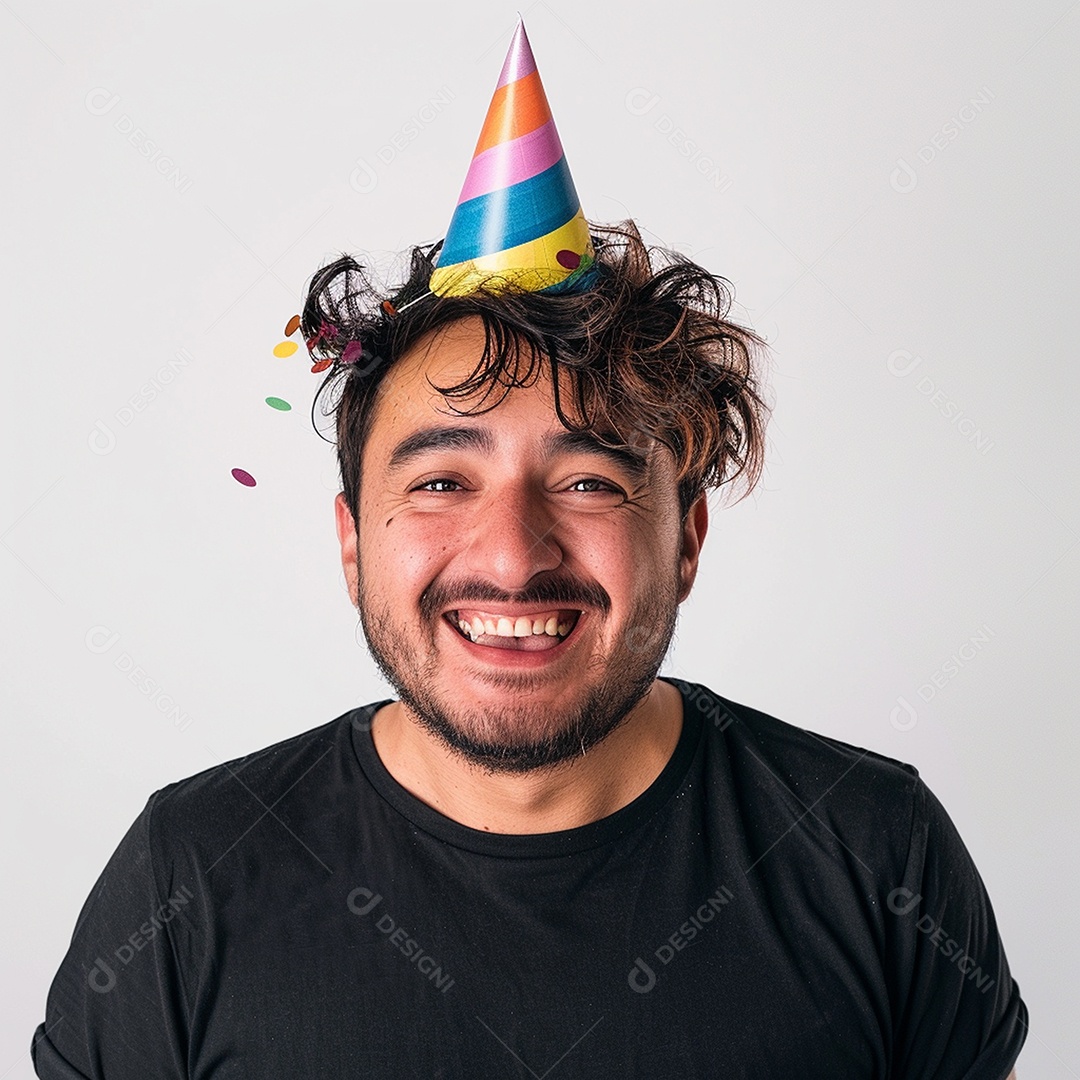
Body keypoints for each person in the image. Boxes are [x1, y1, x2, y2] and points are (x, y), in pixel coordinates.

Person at [32, 18, 1027, 1079]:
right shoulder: (184, 878)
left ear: (686, 536)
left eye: (590, 480)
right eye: (442, 481)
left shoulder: (880, 856)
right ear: (353, 542)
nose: (511, 556)